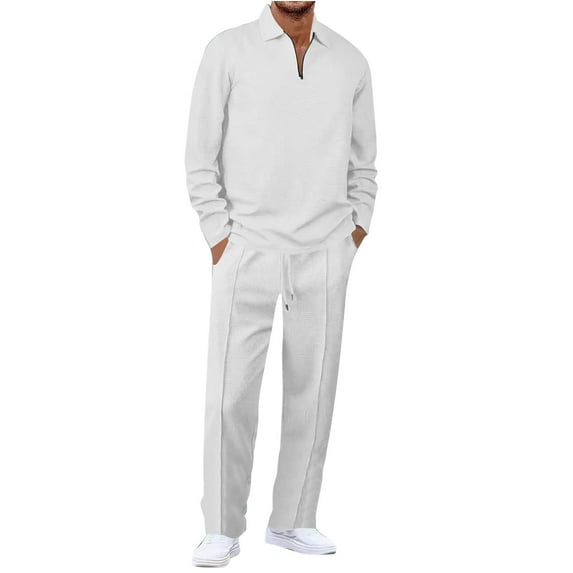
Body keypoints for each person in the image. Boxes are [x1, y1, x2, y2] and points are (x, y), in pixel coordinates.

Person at [184, 2, 378, 566]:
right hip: (246, 246)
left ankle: (294, 519)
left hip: (325, 248)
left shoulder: (351, 62)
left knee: (313, 393)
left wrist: (354, 233)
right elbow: (199, 155)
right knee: (229, 398)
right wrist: (219, 236)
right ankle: (221, 527)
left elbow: (364, 163)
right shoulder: (227, 50)